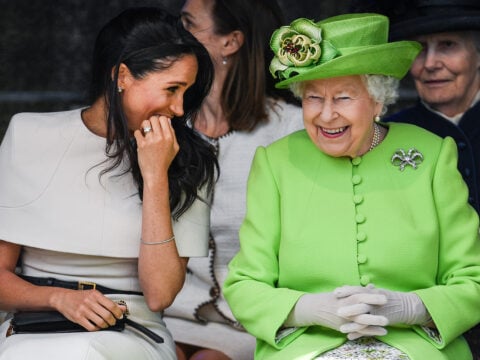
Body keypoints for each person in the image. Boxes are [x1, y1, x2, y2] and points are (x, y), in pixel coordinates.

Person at [223, 13, 480, 359]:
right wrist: (307, 309)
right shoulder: (276, 162)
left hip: (417, 348)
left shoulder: (433, 155)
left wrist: (412, 308)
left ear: (378, 101)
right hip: (305, 349)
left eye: (343, 98)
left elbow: (472, 278)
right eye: (313, 98)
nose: (326, 115)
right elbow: (244, 285)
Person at [0, 7, 217, 360]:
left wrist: (155, 176)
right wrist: (58, 299)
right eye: (172, 89)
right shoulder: (29, 134)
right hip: (35, 326)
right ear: (122, 76)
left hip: (132, 330)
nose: (179, 108)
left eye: (186, 92)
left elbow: (160, 294)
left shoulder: (189, 158)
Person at [161, 0, 303, 359]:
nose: (173, 33)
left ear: (230, 42)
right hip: (172, 314)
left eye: (188, 23)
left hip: (252, 318)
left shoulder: (291, 129)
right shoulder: (169, 124)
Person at [350, 0, 480, 213]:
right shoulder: (383, 135)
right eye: (419, 49)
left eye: (447, 45)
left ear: (478, 55)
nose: (430, 64)